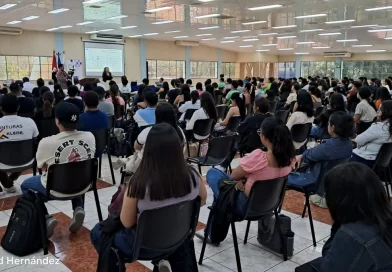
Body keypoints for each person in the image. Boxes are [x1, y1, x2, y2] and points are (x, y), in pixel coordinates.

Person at [91, 123, 207, 268]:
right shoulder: (194, 175)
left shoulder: (138, 184)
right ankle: (163, 259)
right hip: (178, 238)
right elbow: (201, 201)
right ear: (179, 148)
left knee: (97, 233)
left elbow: (127, 222)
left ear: (148, 149)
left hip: (143, 246)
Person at [198, 117, 294, 242]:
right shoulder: (289, 159)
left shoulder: (260, 157)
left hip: (243, 206)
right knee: (223, 195)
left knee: (213, 173)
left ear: (264, 137)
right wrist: (245, 179)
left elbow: (233, 176)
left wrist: (242, 178)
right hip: (269, 205)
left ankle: (213, 234)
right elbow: (263, 177)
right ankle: (212, 233)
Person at [21, 103, 95, 237]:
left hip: (55, 189)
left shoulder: (46, 142)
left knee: (25, 185)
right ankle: (79, 207)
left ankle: (46, 218)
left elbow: (40, 166)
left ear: (57, 121)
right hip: (84, 186)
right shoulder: (90, 136)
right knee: (76, 170)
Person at [305, 162, 392, 271]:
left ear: (339, 200)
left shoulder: (353, 235)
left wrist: (338, 225)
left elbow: (329, 268)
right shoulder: (383, 215)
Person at [288, 112, 354, 208]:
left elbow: (311, 155)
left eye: (328, 124)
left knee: (281, 177)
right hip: (332, 190)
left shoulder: (331, 146)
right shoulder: (348, 143)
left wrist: (302, 155)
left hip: (319, 190)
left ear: (333, 128)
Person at [0, 94, 39, 196]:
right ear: (18, 107)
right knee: (22, 150)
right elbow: (35, 141)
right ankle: (9, 182)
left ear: (0, 108)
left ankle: (7, 183)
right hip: (27, 161)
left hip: (3, 162)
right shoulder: (29, 122)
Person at [350, 100, 392, 168]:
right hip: (381, 162)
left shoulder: (379, 127)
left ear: (387, 112)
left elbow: (358, 140)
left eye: (380, 110)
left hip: (366, 160)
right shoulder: (387, 127)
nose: (377, 112)